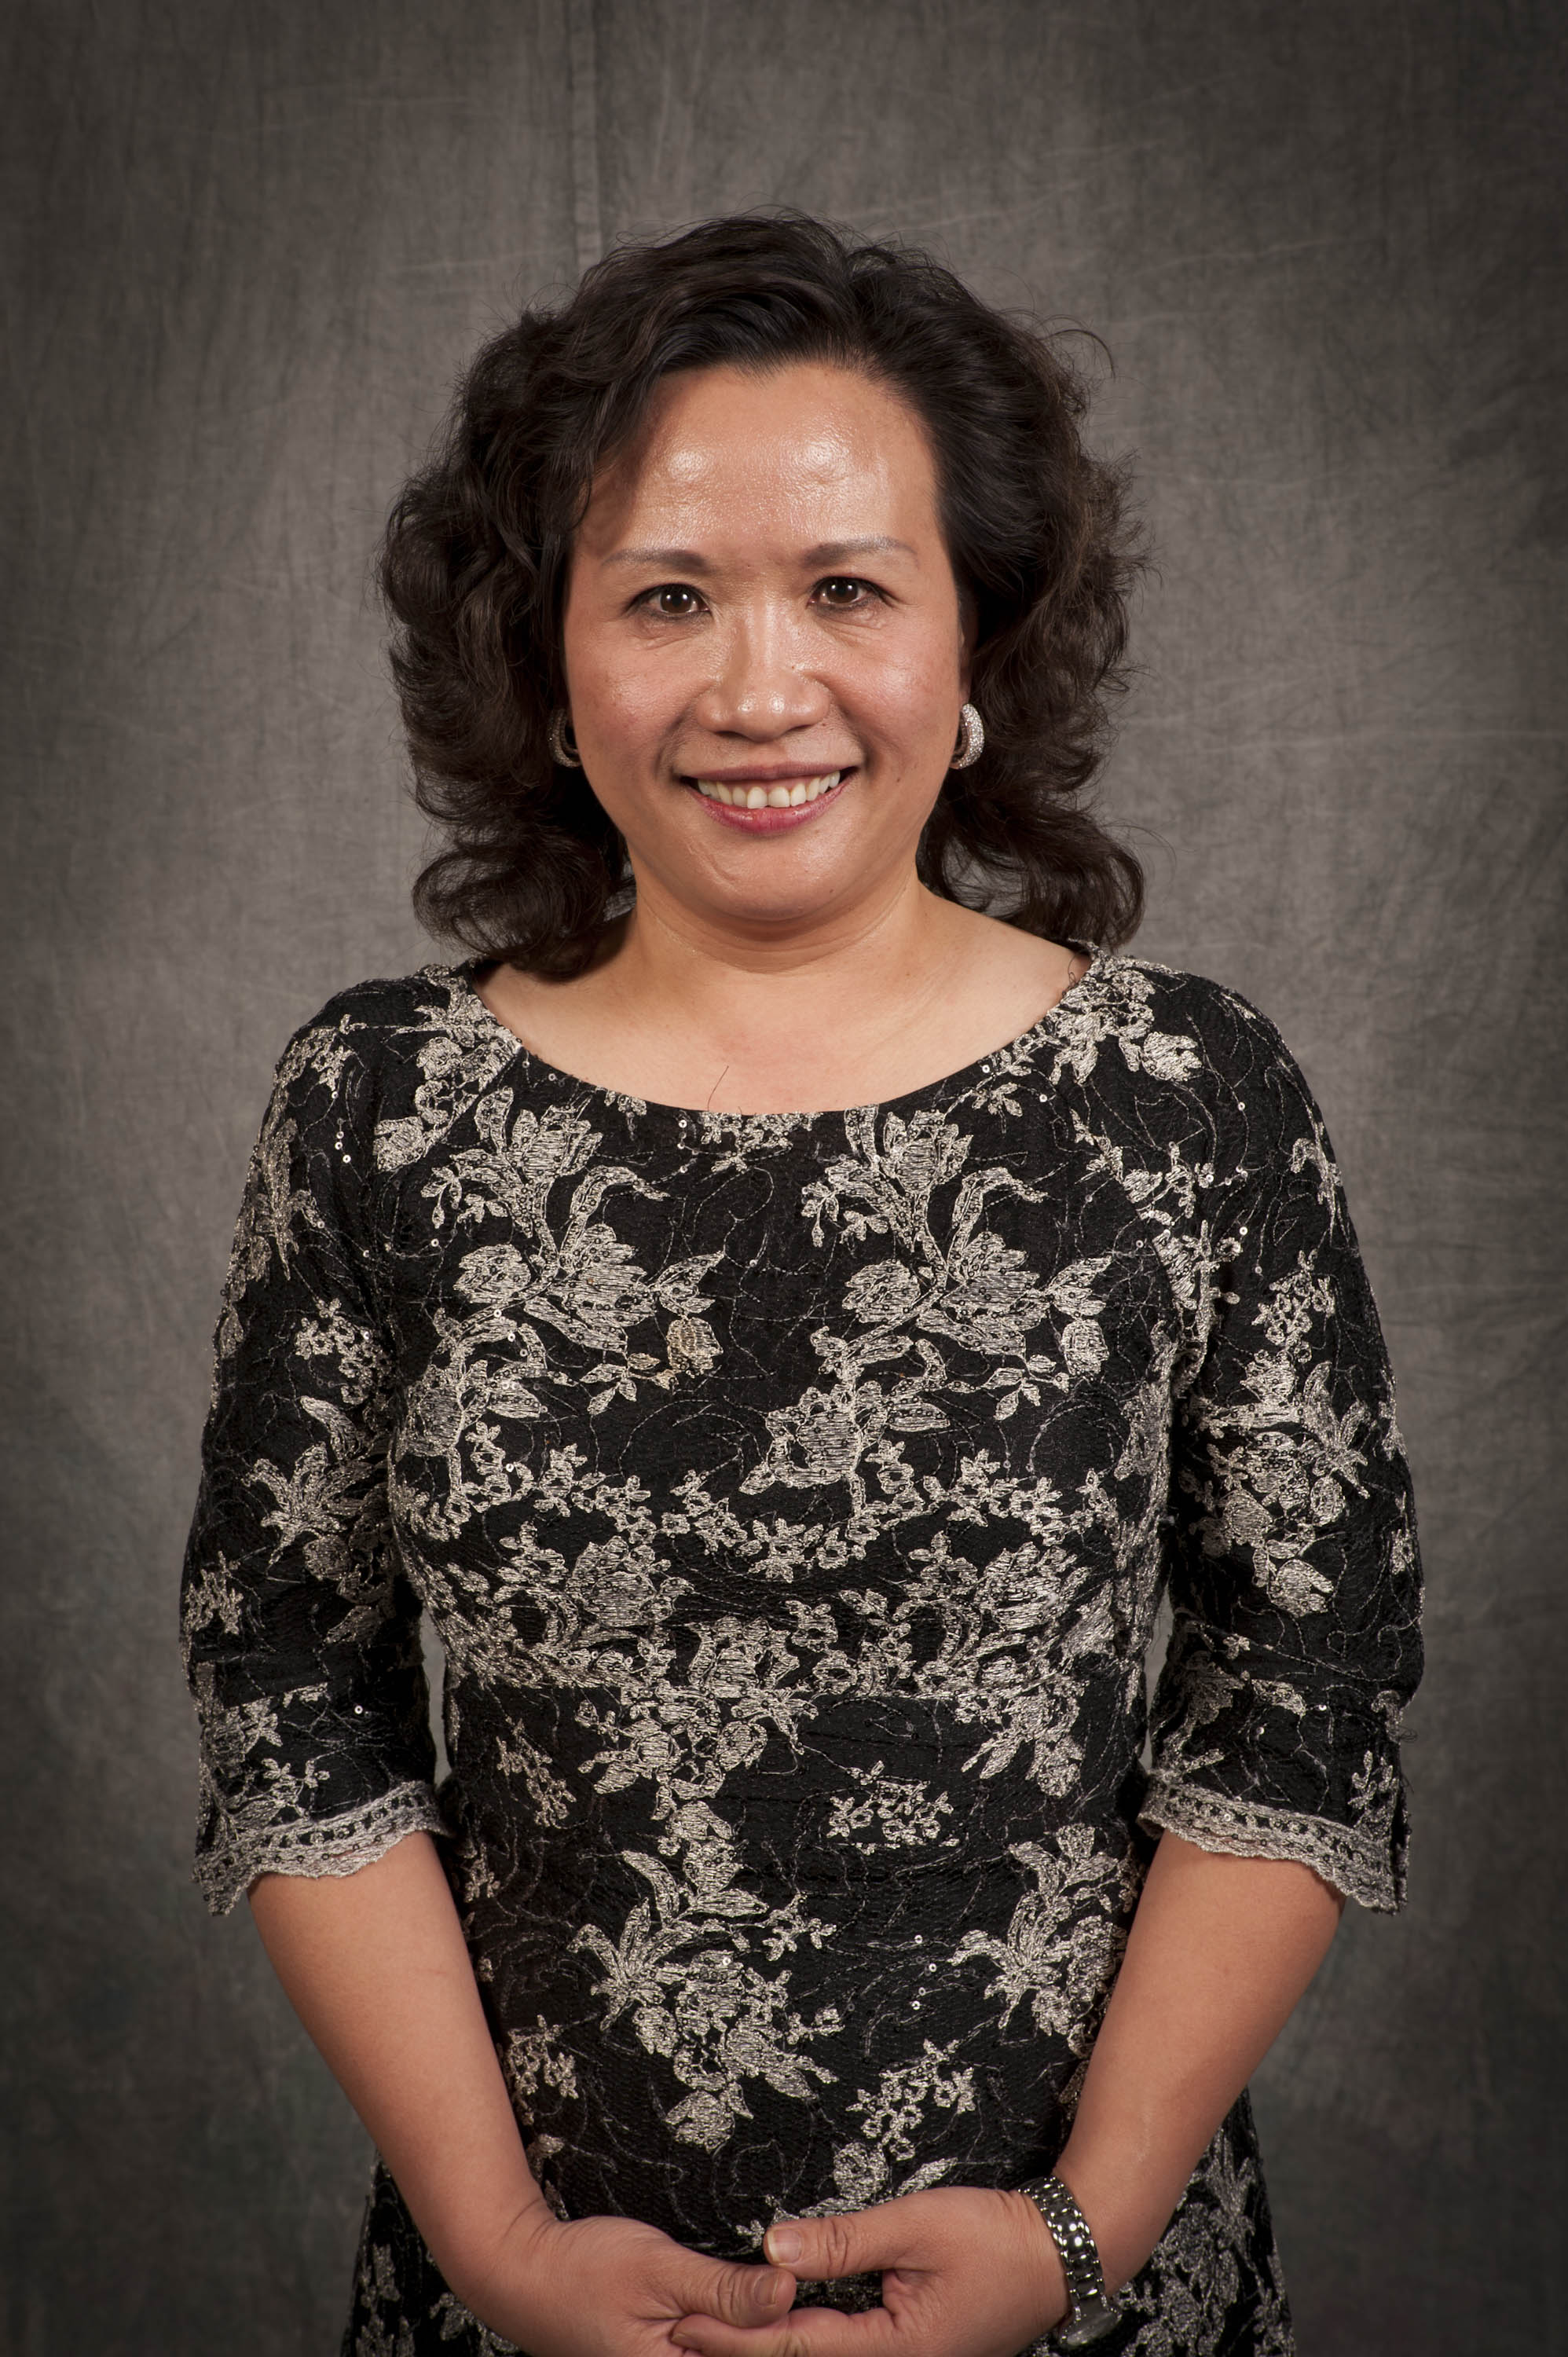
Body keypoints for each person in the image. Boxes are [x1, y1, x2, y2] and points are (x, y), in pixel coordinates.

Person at [180, 213, 1423, 2357]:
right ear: (546, 665)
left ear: (975, 645)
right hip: (530, 2295)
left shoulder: (1184, 1098)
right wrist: (498, 2247)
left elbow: (1307, 1688)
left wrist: (1080, 2236)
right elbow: (288, 1686)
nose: (761, 692)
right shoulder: (377, 1112)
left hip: (1088, 2283)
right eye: (665, 597)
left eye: (849, 589)